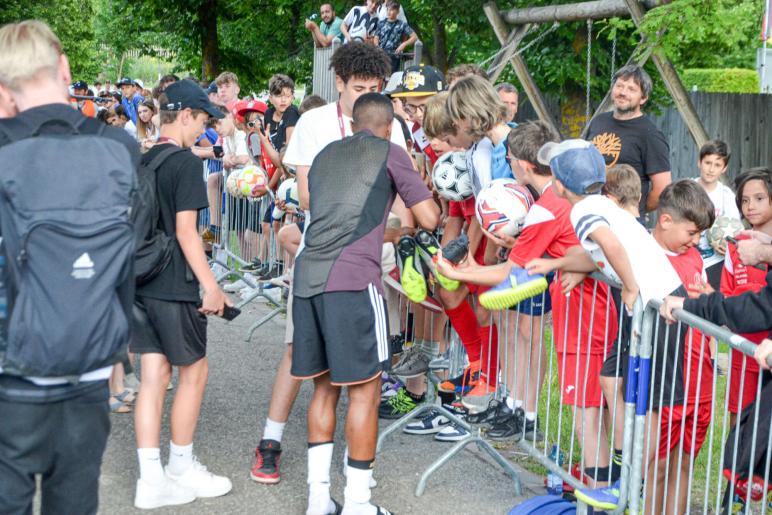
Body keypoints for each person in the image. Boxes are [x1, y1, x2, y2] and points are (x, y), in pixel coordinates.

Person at [249, 42, 406, 486]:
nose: (367, 95)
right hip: (321, 251)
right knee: (299, 351)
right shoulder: (316, 123)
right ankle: (270, 441)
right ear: (338, 83)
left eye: (376, 87)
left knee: (368, 367)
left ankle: (357, 474)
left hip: (371, 256)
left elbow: (402, 194)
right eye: (359, 87)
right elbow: (304, 195)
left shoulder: (387, 124)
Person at [0, 20, 140, 514]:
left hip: (12, 369)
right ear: (63, 67)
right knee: (76, 501)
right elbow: (127, 257)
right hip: (91, 363)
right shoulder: (121, 148)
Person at [292, 92, 439, 515]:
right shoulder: (390, 152)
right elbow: (428, 217)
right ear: (389, 126)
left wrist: (387, 233)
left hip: (308, 276)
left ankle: (318, 501)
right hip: (352, 282)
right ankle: (359, 503)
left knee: (323, 387)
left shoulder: (324, 157)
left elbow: (342, 219)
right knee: (365, 391)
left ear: (352, 122)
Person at [130, 79, 234, 509]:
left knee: (153, 378)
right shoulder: (185, 163)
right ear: (186, 115)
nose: (204, 130)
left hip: (138, 279)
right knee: (194, 372)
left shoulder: (143, 158)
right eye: (202, 120)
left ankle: (150, 479)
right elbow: (186, 232)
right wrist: (211, 285)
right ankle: (181, 465)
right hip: (175, 284)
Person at [719, 168, 772, 427]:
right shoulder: (735, 244)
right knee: (738, 415)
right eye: (745, 200)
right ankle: (736, 465)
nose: (750, 206)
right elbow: (726, 291)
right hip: (742, 348)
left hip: (768, 348)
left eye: (759, 198)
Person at [586, 64, 671, 218]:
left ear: (643, 98)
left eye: (631, 89)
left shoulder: (650, 134)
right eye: (619, 86)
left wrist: (636, 209)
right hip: (592, 213)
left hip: (624, 220)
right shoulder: (598, 121)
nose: (623, 92)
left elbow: (662, 188)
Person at [692, 139, 741, 287]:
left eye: (717, 165)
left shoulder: (727, 196)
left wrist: (728, 244)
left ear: (724, 168)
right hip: (688, 257)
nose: (711, 169)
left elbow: (735, 232)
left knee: (709, 303)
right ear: (699, 162)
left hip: (715, 262)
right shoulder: (686, 189)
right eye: (708, 163)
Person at [373, 1, 417, 73]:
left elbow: (414, 37)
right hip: (381, 56)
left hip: (394, 57)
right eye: (388, 9)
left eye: (392, 10)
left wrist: (403, 44)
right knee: (379, 77)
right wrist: (377, 47)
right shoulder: (381, 23)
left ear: (398, 11)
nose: (389, 12)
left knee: (392, 78)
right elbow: (376, 37)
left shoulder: (402, 24)